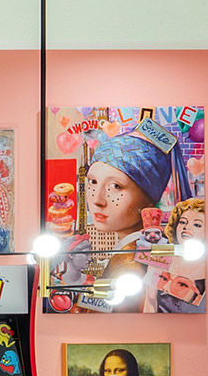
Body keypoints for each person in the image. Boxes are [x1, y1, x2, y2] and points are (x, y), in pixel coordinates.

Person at [46, 121, 181, 313]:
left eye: (116, 186)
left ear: (149, 199)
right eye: (93, 182)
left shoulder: (129, 263)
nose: (98, 200)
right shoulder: (127, 253)